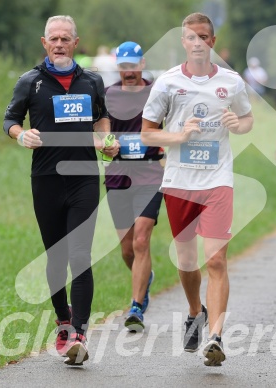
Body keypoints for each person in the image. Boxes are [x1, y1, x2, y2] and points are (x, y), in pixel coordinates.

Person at [3, 15, 119, 366]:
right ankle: (64, 321)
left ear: (75, 42)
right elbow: (10, 120)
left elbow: (101, 117)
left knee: (80, 254)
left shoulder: (92, 81)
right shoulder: (30, 82)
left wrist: (105, 140)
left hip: (84, 177)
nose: (58, 43)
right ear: (44, 43)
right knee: (55, 257)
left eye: (65, 38)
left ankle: (80, 333)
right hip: (46, 179)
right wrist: (21, 135)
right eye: (53, 38)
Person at [141, 12, 253, 367]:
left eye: (204, 37)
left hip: (218, 180)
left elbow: (247, 119)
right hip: (179, 182)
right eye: (192, 37)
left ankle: (216, 337)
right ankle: (195, 312)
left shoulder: (232, 82)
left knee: (216, 259)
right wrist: (178, 136)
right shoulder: (168, 82)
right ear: (184, 41)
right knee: (187, 261)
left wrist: (239, 124)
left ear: (212, 42)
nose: (198, 42)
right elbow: (147, 133)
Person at [104, 41, 164, 331]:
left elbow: (169, 127)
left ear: (142, 64)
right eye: (124, 66)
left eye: (134, 65)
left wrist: (164, 142)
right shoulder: (109, 95)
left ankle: (136, 306)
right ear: (119, 66)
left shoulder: (157, 92)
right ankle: (146, 278)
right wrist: (107, 147)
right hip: (117, 175)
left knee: (142, 240)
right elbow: (101, 134)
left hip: (150, 174)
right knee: (127, 250)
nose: (129, 71)